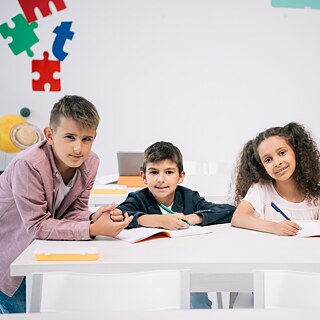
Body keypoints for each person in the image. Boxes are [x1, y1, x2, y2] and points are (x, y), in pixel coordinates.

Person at [0, 95, 132, 313]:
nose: (78, 148)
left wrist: (94, 217)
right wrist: (91, 229)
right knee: (21, 310)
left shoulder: (91, 162)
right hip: (8, 255)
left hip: (37, 254)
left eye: (86, 139)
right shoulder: (28, 165)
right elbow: (38, 226)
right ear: (50, 134)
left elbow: (75, 210)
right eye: (70, 137)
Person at [115, 141, 235, 309]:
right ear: (143, 176)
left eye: (169, 172)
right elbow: (119, 215)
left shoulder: (189, 197)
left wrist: (194, 218)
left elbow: (229, 210)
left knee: (196, 301)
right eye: (154, 172)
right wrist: (158, 220)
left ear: (181, 176)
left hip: (187, 266)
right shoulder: (138, 198)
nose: (161, 179)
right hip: (149, 269)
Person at [231, 122, 320, 236]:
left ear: (296, 152)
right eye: (268, 160)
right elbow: (238, 218)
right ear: (262, 166)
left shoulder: (316, 194)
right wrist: (275, 227)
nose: (277, 163)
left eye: (282, 153)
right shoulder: (261, 189)